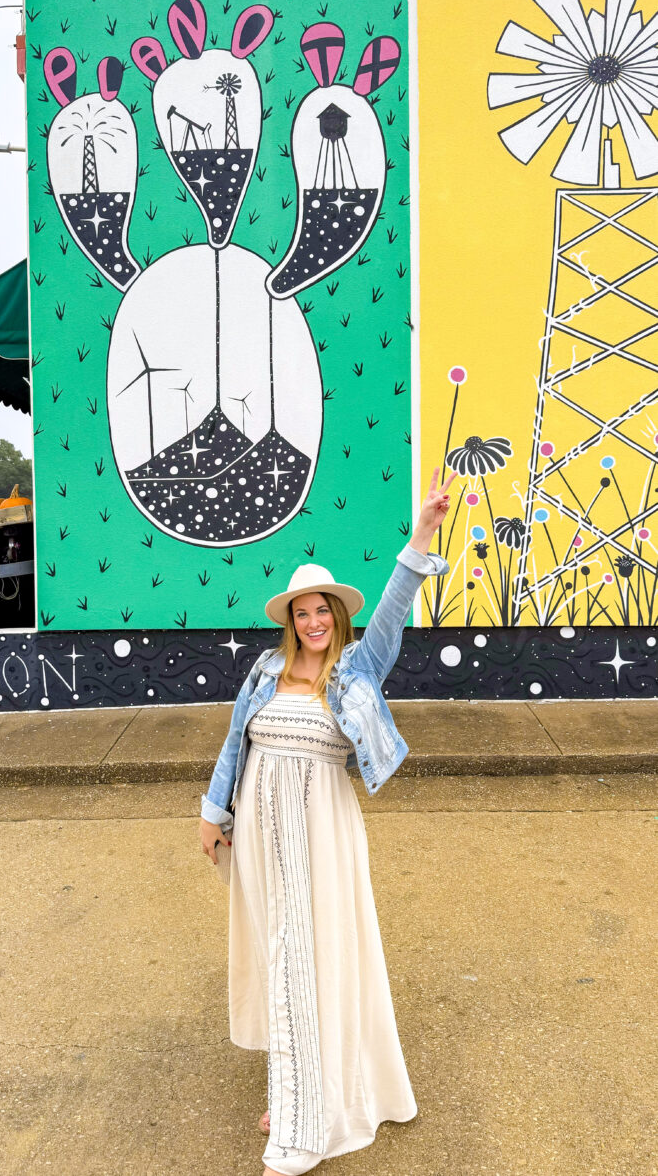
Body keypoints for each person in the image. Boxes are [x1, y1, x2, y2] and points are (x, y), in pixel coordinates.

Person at [200, 467, 456, 1175]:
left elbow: (396, 607)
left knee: (312, 955)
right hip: (258, 829)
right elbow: (234, 743)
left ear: (338, 618)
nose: (314, 623)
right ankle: (290, 1086)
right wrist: (212, 813)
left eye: (324, 612)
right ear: (289, 620)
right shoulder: (262, 671)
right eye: (302, 614)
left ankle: (309, 1108)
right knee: (278, 952)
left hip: (323, 834)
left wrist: (422, 533)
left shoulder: (359, 668)